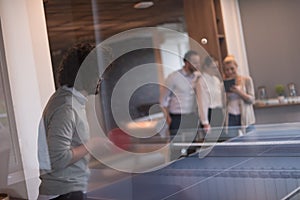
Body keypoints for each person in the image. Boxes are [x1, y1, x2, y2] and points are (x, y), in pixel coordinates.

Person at [38, 42, 103, 200]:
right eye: (98, 73)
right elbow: (58, 158)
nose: (101, 78)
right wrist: (91, 145)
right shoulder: (67, 107)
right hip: (63, 194)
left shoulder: (68, 100)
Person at [160, 50, 200, 137]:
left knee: (192, 146)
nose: (198, 65)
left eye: (198, 62)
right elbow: (163, 100)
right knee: (176, 146)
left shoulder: (198, 77)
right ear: (187, 62)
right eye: (195, 62)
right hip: (176, 117)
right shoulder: (173, 77)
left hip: (192, 116)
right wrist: (167, 118)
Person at [222, 55, 255, 137]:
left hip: (246, 116)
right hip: (230, 115)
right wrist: (225, 95)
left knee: (251, 141)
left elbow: (251, 100)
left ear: (236, 67)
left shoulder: (247, 80)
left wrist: (239, 92)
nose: (229, 71)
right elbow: (223, 104)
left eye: (232, 68)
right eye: (227, 70)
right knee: (232, 144)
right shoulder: (222, 84)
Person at [194, 56, 224, 139]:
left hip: (219, 112)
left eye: (217, 67)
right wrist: (205, 122)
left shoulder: (216, 80)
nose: (216, 70)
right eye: (214, 67)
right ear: (206, 67)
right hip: (210, 114)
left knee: (221, 139)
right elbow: (202, 102)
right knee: (212, 141)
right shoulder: (201, 81)